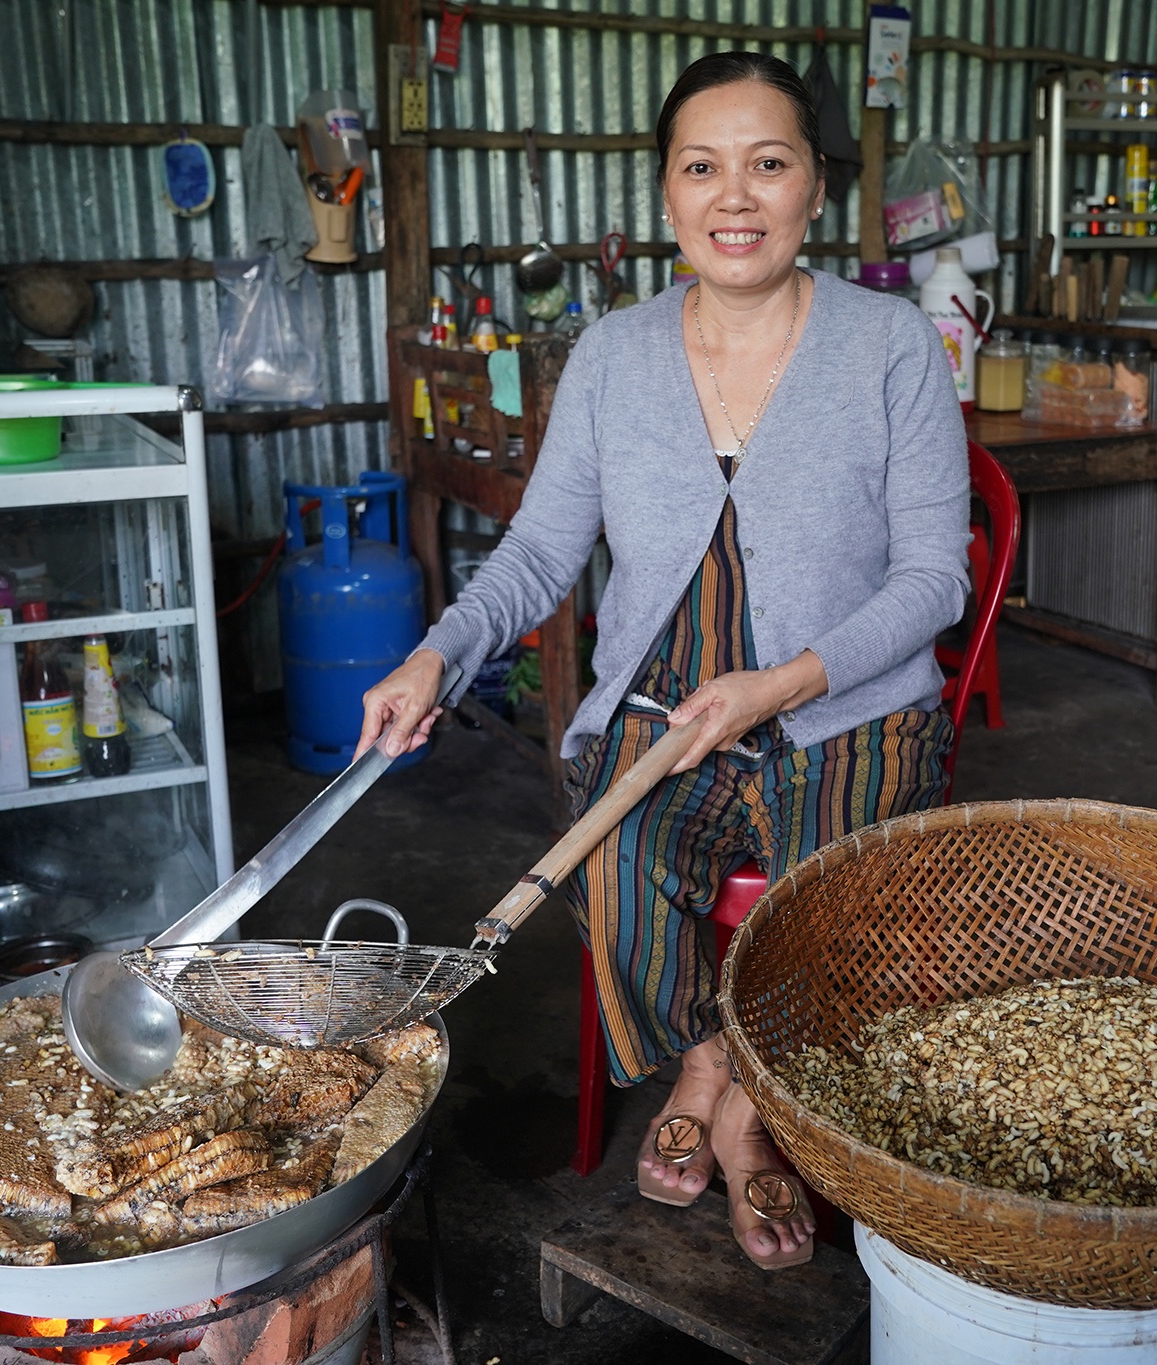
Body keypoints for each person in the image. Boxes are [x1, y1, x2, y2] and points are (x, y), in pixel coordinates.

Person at [360, 50, 970, 1269]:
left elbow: (933, 580)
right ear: (665, 193)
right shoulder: (612, 356)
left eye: (768, 163)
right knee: (615, 852)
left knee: (827, 899)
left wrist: (783, 682)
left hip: (839, 705)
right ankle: (704, 1052)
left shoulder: (890, 343)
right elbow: (538, 550)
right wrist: (437, 653)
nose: (733, 197)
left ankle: (744, 1109)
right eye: (702, 166)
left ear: (812, 189)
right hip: (660, 695)